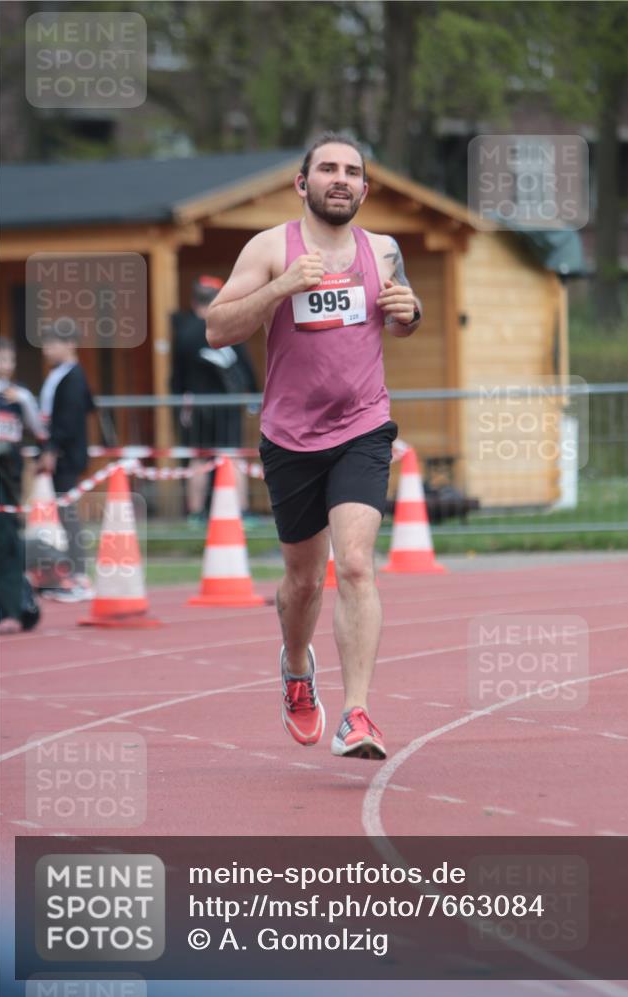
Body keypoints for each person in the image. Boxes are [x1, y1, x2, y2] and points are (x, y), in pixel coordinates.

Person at [205, 132, 422, 759]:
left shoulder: (382, 250)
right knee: (303, 582)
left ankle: (357, 714)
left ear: (364, 188)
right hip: (291, 437)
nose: (340, 179)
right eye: (327, 168)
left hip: (363, 425)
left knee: (354, 563)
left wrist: (410, 312)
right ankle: (297, 668)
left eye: (352, 171)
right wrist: (280, 289)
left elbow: (401, 319)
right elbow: (218, 328)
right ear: (303, 184)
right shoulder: (272, 247)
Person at [170, 276, 258, 520]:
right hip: (226, 407)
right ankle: (241, 510)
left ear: (193, 300)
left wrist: (176, 407)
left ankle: (196, 513)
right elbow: (246, 370)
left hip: (195, 406)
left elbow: (176, 376)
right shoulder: (225, 328)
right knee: (231, 457)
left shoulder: (184, 332)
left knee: (198, 459)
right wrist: (253, 392)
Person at [38, 320, 96, 600]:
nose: (47, 349)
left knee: (68, 513)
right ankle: (73, 572)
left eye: (53, 343)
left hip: (65, 454)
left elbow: (69, 419)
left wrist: (52, 449)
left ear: (69, 344)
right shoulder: (59, 374)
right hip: (59, 449)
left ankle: (80, 576)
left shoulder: (73, 376)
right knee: (64, 513)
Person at [0, 336, 44, 633]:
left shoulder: (19, 397)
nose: (3, 365)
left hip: (10, 475)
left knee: (8, 539)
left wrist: (25, 400)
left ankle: (18, 601)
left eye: (8, 360)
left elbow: (39, 431)